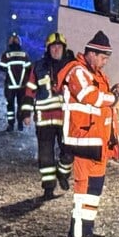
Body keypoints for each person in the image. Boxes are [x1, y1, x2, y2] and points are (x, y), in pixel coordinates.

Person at [59, 30, 119, 237]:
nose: (105, 62)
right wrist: (112, 97)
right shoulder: (77, 71)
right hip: (82, 141)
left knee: (93, 191)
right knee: (82, 190)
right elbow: (90, 97)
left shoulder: (97, 75)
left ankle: (87, 230)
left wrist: (112, 93)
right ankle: (76, 234)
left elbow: (102, 103)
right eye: (103, 58)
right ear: (92, 53)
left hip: (98, 143)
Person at [22, 32, 75, 199]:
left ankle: (62, 173)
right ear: (48, 49)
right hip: (44, 118)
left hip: (66, 118)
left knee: (69, 152)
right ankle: (48, 188)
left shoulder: (72, 67)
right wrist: (26, 112)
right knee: (45, 155)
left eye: (59, 47)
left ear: (64, 48)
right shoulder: (38, 66)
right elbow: (29, 90)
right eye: (53, 47)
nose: (56, 50)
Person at [0, 33, 32, 131]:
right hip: (22, 85)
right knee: (21, 104)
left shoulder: (6, 54)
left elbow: (1, 67)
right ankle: (20, 124)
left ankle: (11, 125)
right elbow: (29, 68)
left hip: (10, 85)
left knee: (10, 105)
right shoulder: (25, 54)